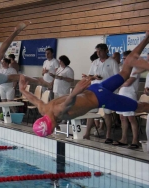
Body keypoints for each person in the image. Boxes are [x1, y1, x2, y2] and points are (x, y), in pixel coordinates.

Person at [19, 30, 149, 137]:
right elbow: (34, 99)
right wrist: (23, 90)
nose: (54, 130)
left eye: (52, 129)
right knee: (125, 73)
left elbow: (67, 103)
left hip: (101, 98)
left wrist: (75, 92)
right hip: (96, 87)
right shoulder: (43, 109)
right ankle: (146, 39)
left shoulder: (58, 112)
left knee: (139, 107)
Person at [82, 43, 119, 142]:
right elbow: (90, 75)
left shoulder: (112, 62)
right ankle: (87, 133)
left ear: (105, 50)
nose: (98, 53)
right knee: (92, 112)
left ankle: (108, 135)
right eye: (97, 51)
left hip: (107, 91)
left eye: (100, 51)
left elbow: (117, 78)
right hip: (95, 90)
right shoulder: (95, 62)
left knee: (107, 113)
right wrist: (91, 77)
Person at [113, 50, 140, 148]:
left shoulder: (136, 68)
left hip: (130, 96)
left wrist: (120, 83)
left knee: (131, 118)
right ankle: (123, 139)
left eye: (125, 59)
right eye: (123, 59)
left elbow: (128, 82)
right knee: (122, 118)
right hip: (121, 94)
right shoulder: (123, 68)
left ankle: (135, 140)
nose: (123, 61)